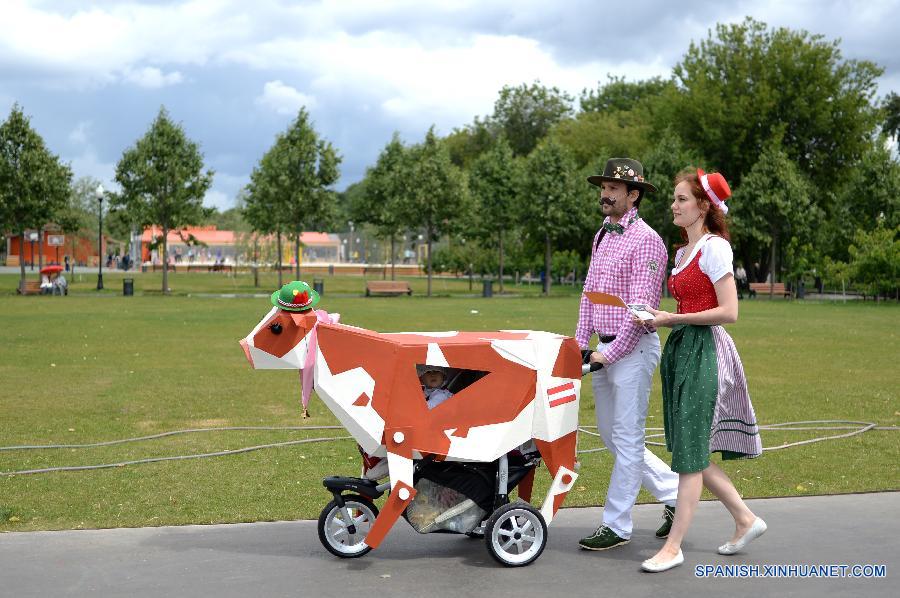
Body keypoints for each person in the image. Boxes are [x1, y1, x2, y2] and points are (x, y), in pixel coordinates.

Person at [639, 168, 764, 573]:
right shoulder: (682, 253)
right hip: (681, 349)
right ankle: (745, 518)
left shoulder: (715, 248)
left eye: (681, 199)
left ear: (703, 206)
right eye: (674, 199)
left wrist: (671, 319)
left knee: (690, 455)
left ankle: (673, 547)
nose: (673, 205)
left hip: (705, 350)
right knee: (689, 448)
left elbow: (730, 312)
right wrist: (657, 317)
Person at [576, 158, 680, 552]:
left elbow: (641, 309)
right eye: (603, 187)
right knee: (611, 435)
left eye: (613, 189)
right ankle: (674, 493)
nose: (605, 194)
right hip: (603, 347)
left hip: (633, 348)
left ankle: (616, 525)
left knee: (626, 437)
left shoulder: (648, 241)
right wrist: (581, 344)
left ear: (633, 195)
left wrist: (607, 355)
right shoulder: (602, 233)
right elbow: (589, 292)